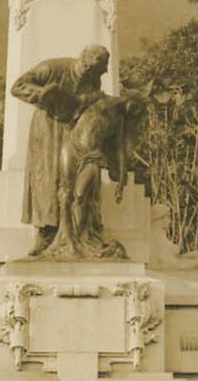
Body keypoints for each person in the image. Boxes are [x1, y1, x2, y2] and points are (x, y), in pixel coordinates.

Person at [9, 44, 111, 254]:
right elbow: (17, 86)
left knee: (78, 175)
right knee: (47, 177)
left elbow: (91, 97)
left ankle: (80, 229)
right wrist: (44, 94)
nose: (104, 73)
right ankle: (45, 233)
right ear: (85, 64)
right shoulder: (51, 68)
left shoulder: (92, 77)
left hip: (75, 126)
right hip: (48, 126)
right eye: (99, 69)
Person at [48, 91, 147, 260]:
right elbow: (74, 105)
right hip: (72, 147)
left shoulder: (120, 121)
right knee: (65, 194)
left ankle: (79, 238)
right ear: (130, 98)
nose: (135, 112)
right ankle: (68, 240)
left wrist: (122, 181)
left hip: (92, 157)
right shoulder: (98, 98)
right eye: (137, 107)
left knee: (80, 196)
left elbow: (120, 150)